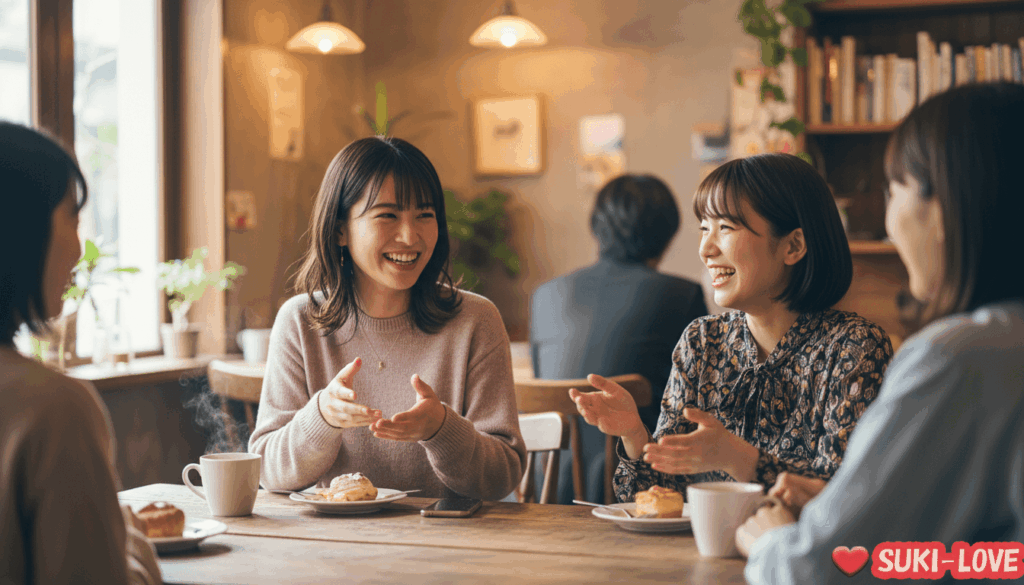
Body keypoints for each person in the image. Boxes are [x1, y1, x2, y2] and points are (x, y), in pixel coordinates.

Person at [738, 83, 1024, 583]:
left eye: (894, 191)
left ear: (945, 206)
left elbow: (820, 570)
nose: (890, 224)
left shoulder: (956, 357)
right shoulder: (702, 338)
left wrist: (771, 543)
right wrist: (845, 505)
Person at [570, 153, 893, 504]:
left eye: (725, 228)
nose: (706, 249)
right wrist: (634, 434)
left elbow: (850, 497)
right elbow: (656, 498)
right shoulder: (702, 341)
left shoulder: (855, 347)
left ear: (793, 246)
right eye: (703, 229)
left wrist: (740, 459)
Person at [249, 136, 526, 500]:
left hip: (450, 547)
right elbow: (266, 470)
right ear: (339, 230)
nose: (410, 236)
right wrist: (322, 417)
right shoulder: (301, 321)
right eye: (387, 216)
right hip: (330, 548)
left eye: (424, 216)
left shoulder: (475, 320)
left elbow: (502, 477)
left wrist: (442, 429)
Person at [0, 122, 161, 584]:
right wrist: (129, 540)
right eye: (72, 219)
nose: (79, 248)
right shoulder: (52, 410)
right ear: (22, 233)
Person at [529, 173, 707, 504]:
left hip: (545, 487)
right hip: (640, 490)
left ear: (597, 227)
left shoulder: (544, 295)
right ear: (668, 232)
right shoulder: (682, 295)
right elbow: (699, 400)